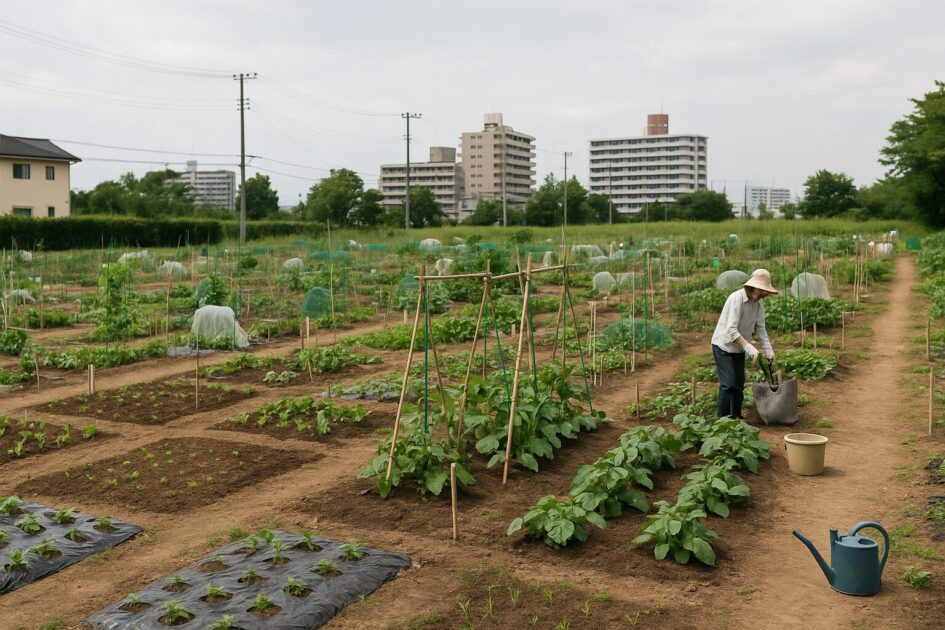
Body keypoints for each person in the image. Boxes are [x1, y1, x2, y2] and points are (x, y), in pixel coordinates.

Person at [711, 269, 778, 419]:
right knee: (729, 384)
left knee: (739, 384)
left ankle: (736, 417)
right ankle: (722, 421)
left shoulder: (758, 303)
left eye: (764, 291)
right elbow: (731, 330)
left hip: (739, 349)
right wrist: (749, 348)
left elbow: (760, 328)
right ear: (752, 287)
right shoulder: (736, 299)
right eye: (761, 290)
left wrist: (769, 350)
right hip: (723, 347)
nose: (763, 293)